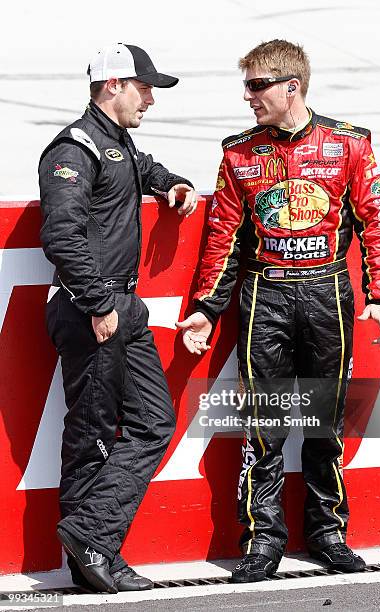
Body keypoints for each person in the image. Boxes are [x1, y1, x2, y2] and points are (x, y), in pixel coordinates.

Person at [177, 39, 380, 583]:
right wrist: (207, 306)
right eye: (247, 86)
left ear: (291, 86)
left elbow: (376, 222)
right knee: (263, 427)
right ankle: (262, 540)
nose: (248, 97)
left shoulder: (349, 143)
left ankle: (328, 533)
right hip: (263, 297)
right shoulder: (238, 152)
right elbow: (222, 235)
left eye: (257, 86)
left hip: (328, 295)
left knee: (325, 424)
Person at [39, 43, 197, 593]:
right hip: (91, 307)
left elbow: (141, 168)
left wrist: (171, 183)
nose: (150, 98)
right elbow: (61, 235)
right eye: (144, 87)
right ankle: (92, 555)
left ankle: (91, 540)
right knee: (91, 435)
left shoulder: (117, 143)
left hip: (122, 306)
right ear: (114, 86)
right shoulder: (73, 147)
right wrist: (99, 303)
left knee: (154, 422)